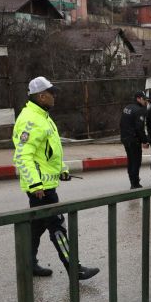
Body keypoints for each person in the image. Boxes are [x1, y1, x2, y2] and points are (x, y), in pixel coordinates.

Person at [12, 76, 99, 280]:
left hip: (46, 183)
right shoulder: (30, 119)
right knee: (58, 227)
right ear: (42, 96)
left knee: (37, 226)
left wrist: (62, 169)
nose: (55, 97)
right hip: (41, 188)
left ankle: (28, 264)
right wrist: (35, 184)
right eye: (52, 93)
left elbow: (49, 151)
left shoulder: (43, 116)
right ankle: (73, 268)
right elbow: (23, 156)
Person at [120, 91, 149, 189]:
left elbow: (121, 123)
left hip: (125, 138)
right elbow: (139, 128)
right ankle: (135, 183)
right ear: (138, 98)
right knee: (136, 161)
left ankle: (132, 180)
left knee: (131, 160)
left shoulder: (127, 107)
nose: (145, 101)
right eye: (144, 99)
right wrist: (144, 141)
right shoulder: (139, 110)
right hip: (133, 140)